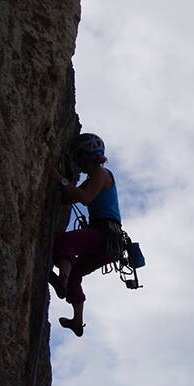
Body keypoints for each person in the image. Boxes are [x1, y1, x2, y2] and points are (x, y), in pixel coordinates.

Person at [48, 132, 123, 336]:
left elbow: (86, 198)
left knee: (65, 241)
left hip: (104, 233)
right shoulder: (93, 177)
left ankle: (61, 280)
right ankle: (77, 321)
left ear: (85, 155)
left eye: (79, 158)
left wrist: (58, 178)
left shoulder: (101, 173)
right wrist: (63, 185)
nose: (78, 163)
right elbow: (69, 198)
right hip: (109, 243)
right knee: (76, 274)